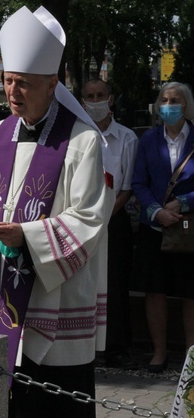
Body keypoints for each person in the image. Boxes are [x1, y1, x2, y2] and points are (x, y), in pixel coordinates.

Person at [0, 6, 113, 417]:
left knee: (55, 404)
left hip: (54, 300)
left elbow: (90, 218)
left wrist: (28, 235)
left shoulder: (82, 141)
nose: (13, 92)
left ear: (53, 83)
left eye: (24, 84)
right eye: (8, 81)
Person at [132, 81, 194, 373]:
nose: (170, 105)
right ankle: (159, 353)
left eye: (176, 100)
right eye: (165, 99)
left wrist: (183, 202)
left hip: (187, 228)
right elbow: (138, 183)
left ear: (187, 105)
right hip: (153, 227)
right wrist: (155, 210)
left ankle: (190, 357)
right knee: (154, 291)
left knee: (189, 293)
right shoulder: (149, 140)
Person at [81, 78, 139, 369]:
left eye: (100, 95)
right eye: (89, 96)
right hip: (81, 222)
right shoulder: (76, 136)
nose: (95, 101)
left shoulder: (127, 138)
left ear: (111, 99)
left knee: (114, 284)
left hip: (113, 221)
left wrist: (105, 216)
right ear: (82, 102)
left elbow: (127, 187)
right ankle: (85, 343)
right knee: (85, 283)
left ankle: (115, 346)